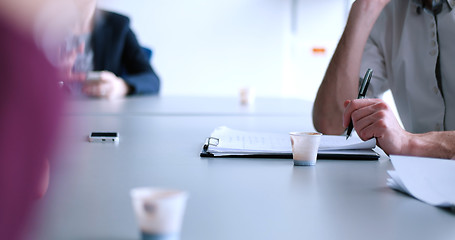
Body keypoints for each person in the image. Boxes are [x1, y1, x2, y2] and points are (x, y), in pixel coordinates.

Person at [313, 0, 455, 159]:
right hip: (415, 177)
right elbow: (332, 123)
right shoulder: (389, 12)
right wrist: (364, 7)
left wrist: (409, 143)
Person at [69, 0, 160, 99]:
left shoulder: (117, 24)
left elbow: (152, 80)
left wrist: (121, 86)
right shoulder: (49, 26)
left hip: (100, 111)